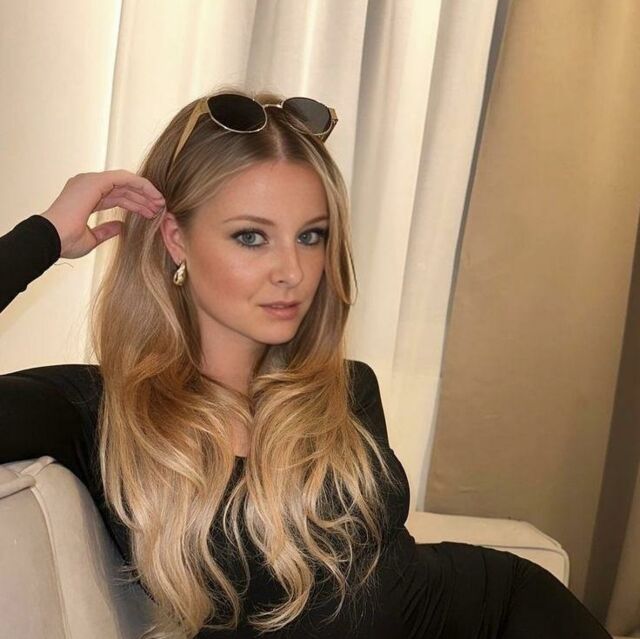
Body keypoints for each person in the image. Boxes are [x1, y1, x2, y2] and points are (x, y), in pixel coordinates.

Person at [0, 86, 613, 639]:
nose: (292, 272)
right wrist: (46, 234)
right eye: (251, 236)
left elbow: (377, 593)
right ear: (176, 239)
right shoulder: (99, 412)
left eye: (311, 235)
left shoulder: (345, 390)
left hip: (504, 614)